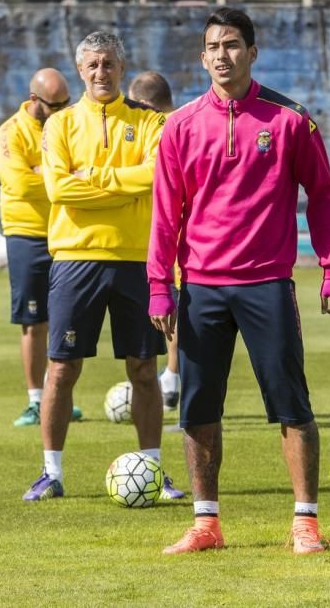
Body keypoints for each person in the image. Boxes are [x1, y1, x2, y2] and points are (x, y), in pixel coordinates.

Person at [147, 7, 330, 555]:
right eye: (212, 46)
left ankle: (305, 523)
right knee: (198, 410)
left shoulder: (289, 120)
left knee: (292, 406)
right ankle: (205, 524)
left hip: (267, 285)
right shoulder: (180, 126)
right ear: (202, 56)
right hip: (201, 290)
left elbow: (323, 195)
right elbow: (165, 213)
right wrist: (159, 283)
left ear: (252, 52)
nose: (221, 55)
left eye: (232, 45)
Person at [22, 32, 184, 502]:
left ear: (121, 66)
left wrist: (92, 177)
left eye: (109, 63)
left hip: (136, 258)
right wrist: (123, 187)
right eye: (92, 65)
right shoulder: (60, 126)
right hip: (76, 258)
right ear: (80, 70)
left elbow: (157, 176)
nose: (101, 73)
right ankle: (50, 472)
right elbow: (59, 190)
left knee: (144, 368)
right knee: (63, 368)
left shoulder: (150, 122)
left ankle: (153, 470)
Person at [0, 68, 83, 427]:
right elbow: (19, 185)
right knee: (34, 321)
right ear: (34, 101)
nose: (62, 110)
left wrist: (40, 170)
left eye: (66, 103)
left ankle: (57, 397)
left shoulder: (67, 125)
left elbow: (86, 168)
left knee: (66, 319)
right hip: (27, 233)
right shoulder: (8, 134)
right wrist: (60, 174)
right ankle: (34, 399)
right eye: (55, 105)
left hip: (67, 232)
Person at [128, 71, 180, 412]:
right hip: (192, 238)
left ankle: (175, 383)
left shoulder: (162, 128)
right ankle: (174, 381)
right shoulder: (191, 120)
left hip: (174, 240)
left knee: (177, 317)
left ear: (144, 103)